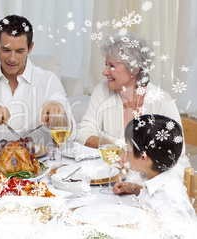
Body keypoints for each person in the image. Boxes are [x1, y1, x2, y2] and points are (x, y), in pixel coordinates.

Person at [75, 31, 189, 176]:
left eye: (112, 66)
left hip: (152, 184)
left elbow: (175, 156)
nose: (104, 71)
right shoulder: (102, 91)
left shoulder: (162, 102)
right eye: (106, 64)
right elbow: (82, 132)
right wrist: (109, 144)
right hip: (113, 177)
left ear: (134, 69)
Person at [0, 15, 74, 145]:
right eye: (6, 50)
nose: (12, 58)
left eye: (19, 51)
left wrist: (58, 111)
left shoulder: (49, 80)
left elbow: (71, 134)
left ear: (30, 47)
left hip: (41, 163)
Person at [113, 114, 196, 233]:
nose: (124, 154)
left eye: (127, 149)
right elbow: (153, 197)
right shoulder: (160, 175)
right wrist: (134, 188)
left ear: (143, 157)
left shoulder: (171, 201)